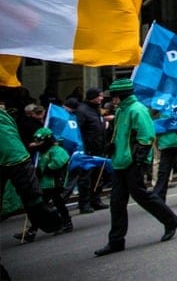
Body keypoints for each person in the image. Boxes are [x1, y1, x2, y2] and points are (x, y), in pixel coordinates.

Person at [93, 78, 177, 256]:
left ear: (123, 96)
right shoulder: (121, 111)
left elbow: (146, 135)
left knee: (141, 196)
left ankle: (170, 220)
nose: (113, 100)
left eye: (116, 96)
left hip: (132, 162)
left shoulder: (137, 110)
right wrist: (112, 145)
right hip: (119, 161)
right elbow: (119, 133)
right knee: (116, 202)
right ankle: (116, 240)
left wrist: (138, 158)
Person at [0, 108, 61, 279]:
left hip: (42, 183)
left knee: (54, 203)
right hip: (30, 181)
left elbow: (14, 155)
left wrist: (36, 204)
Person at [12, 127, 73, 242]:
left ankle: (65, 223)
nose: (38, 144)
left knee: (52, 204)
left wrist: (47, 168)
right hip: (44, 184)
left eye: (40, 141)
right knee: (43, 206)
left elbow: (61, 160)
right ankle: (34, 230)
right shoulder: (42, 152)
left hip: (54, 183)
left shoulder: (56, 149)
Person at [65, 88, 107, 213]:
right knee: (86, 179)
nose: (102, 98)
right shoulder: (82, 111)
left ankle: (96, 200)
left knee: (98, 176)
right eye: (99, 96)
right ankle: (84, 203)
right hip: (88, 150)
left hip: (98, 149)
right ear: (92, 97)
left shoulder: (96, 109)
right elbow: (78, 131)